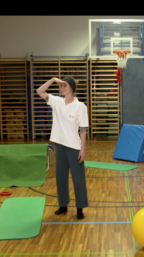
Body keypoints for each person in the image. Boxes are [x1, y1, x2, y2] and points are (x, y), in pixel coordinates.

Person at [37, 76, 88, 219]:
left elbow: (83, 130)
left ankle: (79, 209)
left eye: (64, 85)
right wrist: (53, 80)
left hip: (74, 147)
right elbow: (40, 91)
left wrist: (83, 149)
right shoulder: (56, 102)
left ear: (71, 88)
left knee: (78, 179)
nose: (62, 87)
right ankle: (63, 205)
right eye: (61, 85)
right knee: (60, 177)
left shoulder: (80, 106)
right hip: (59, 145)